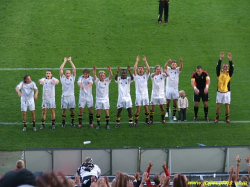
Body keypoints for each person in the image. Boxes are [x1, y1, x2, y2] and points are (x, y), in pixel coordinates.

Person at [214, 52, 234, 123]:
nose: (225, 67)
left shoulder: (229, 73)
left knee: (227, 106)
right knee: (218, 106)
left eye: (226, 66)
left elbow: (232, 68)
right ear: (222, 67)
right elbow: (217, 67)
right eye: (224, 66)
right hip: (219, 92)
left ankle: (227, 118)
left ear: (227, 67)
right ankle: (217, 118)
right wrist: (221, 58)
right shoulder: (219, 73)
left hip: (227, 92)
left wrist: (230, 60)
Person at [93, 65, 113, 130]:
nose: (102, 76)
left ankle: (107, 124)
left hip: (105, 100)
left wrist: (109, 70)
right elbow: (94, 76)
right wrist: (94, 70)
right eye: (101, 75)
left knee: (107, 112)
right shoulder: (97, 81)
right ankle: (98, 124)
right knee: (98, 112)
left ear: (105, 76)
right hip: (98, 99)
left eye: (103, 75)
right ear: (99, 76)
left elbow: (111, 76)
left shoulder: (107, 81)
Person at [133, 55, 150, 126]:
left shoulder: (145, 76)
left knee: (146, 108)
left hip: (145, 95)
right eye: (139, 68)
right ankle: (136, 121)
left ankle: (147, 121)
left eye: (141, 69)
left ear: (143, 70)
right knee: (138, 109)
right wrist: (137, 61)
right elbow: (134, 70)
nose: (140, 69)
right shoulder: (136, 77)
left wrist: (146, 62)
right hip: (138, 95)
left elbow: (148, 70)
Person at [59, 57, 76, 128]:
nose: (67, 74)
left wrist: (70, 61)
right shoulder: (62, 78)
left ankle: (72, 122)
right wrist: (65, 61)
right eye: (66, 73)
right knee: (64, 110)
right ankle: (63, 123)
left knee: (72, 110)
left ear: (70, 74)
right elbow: (60, 69)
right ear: (65, 74)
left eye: (69, 73)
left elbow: (74, 69)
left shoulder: (73, 77)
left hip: (71, 97)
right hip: (64, 97)